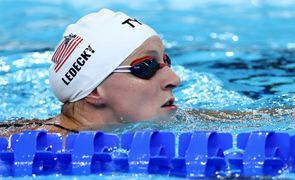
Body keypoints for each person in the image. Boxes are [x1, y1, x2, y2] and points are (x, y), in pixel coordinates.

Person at [0, 8, 180, 137]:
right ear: (94, 90)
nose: (174, 79)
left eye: (166, 61)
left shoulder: (184, 120)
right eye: (146, 66)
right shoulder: (21, 147)